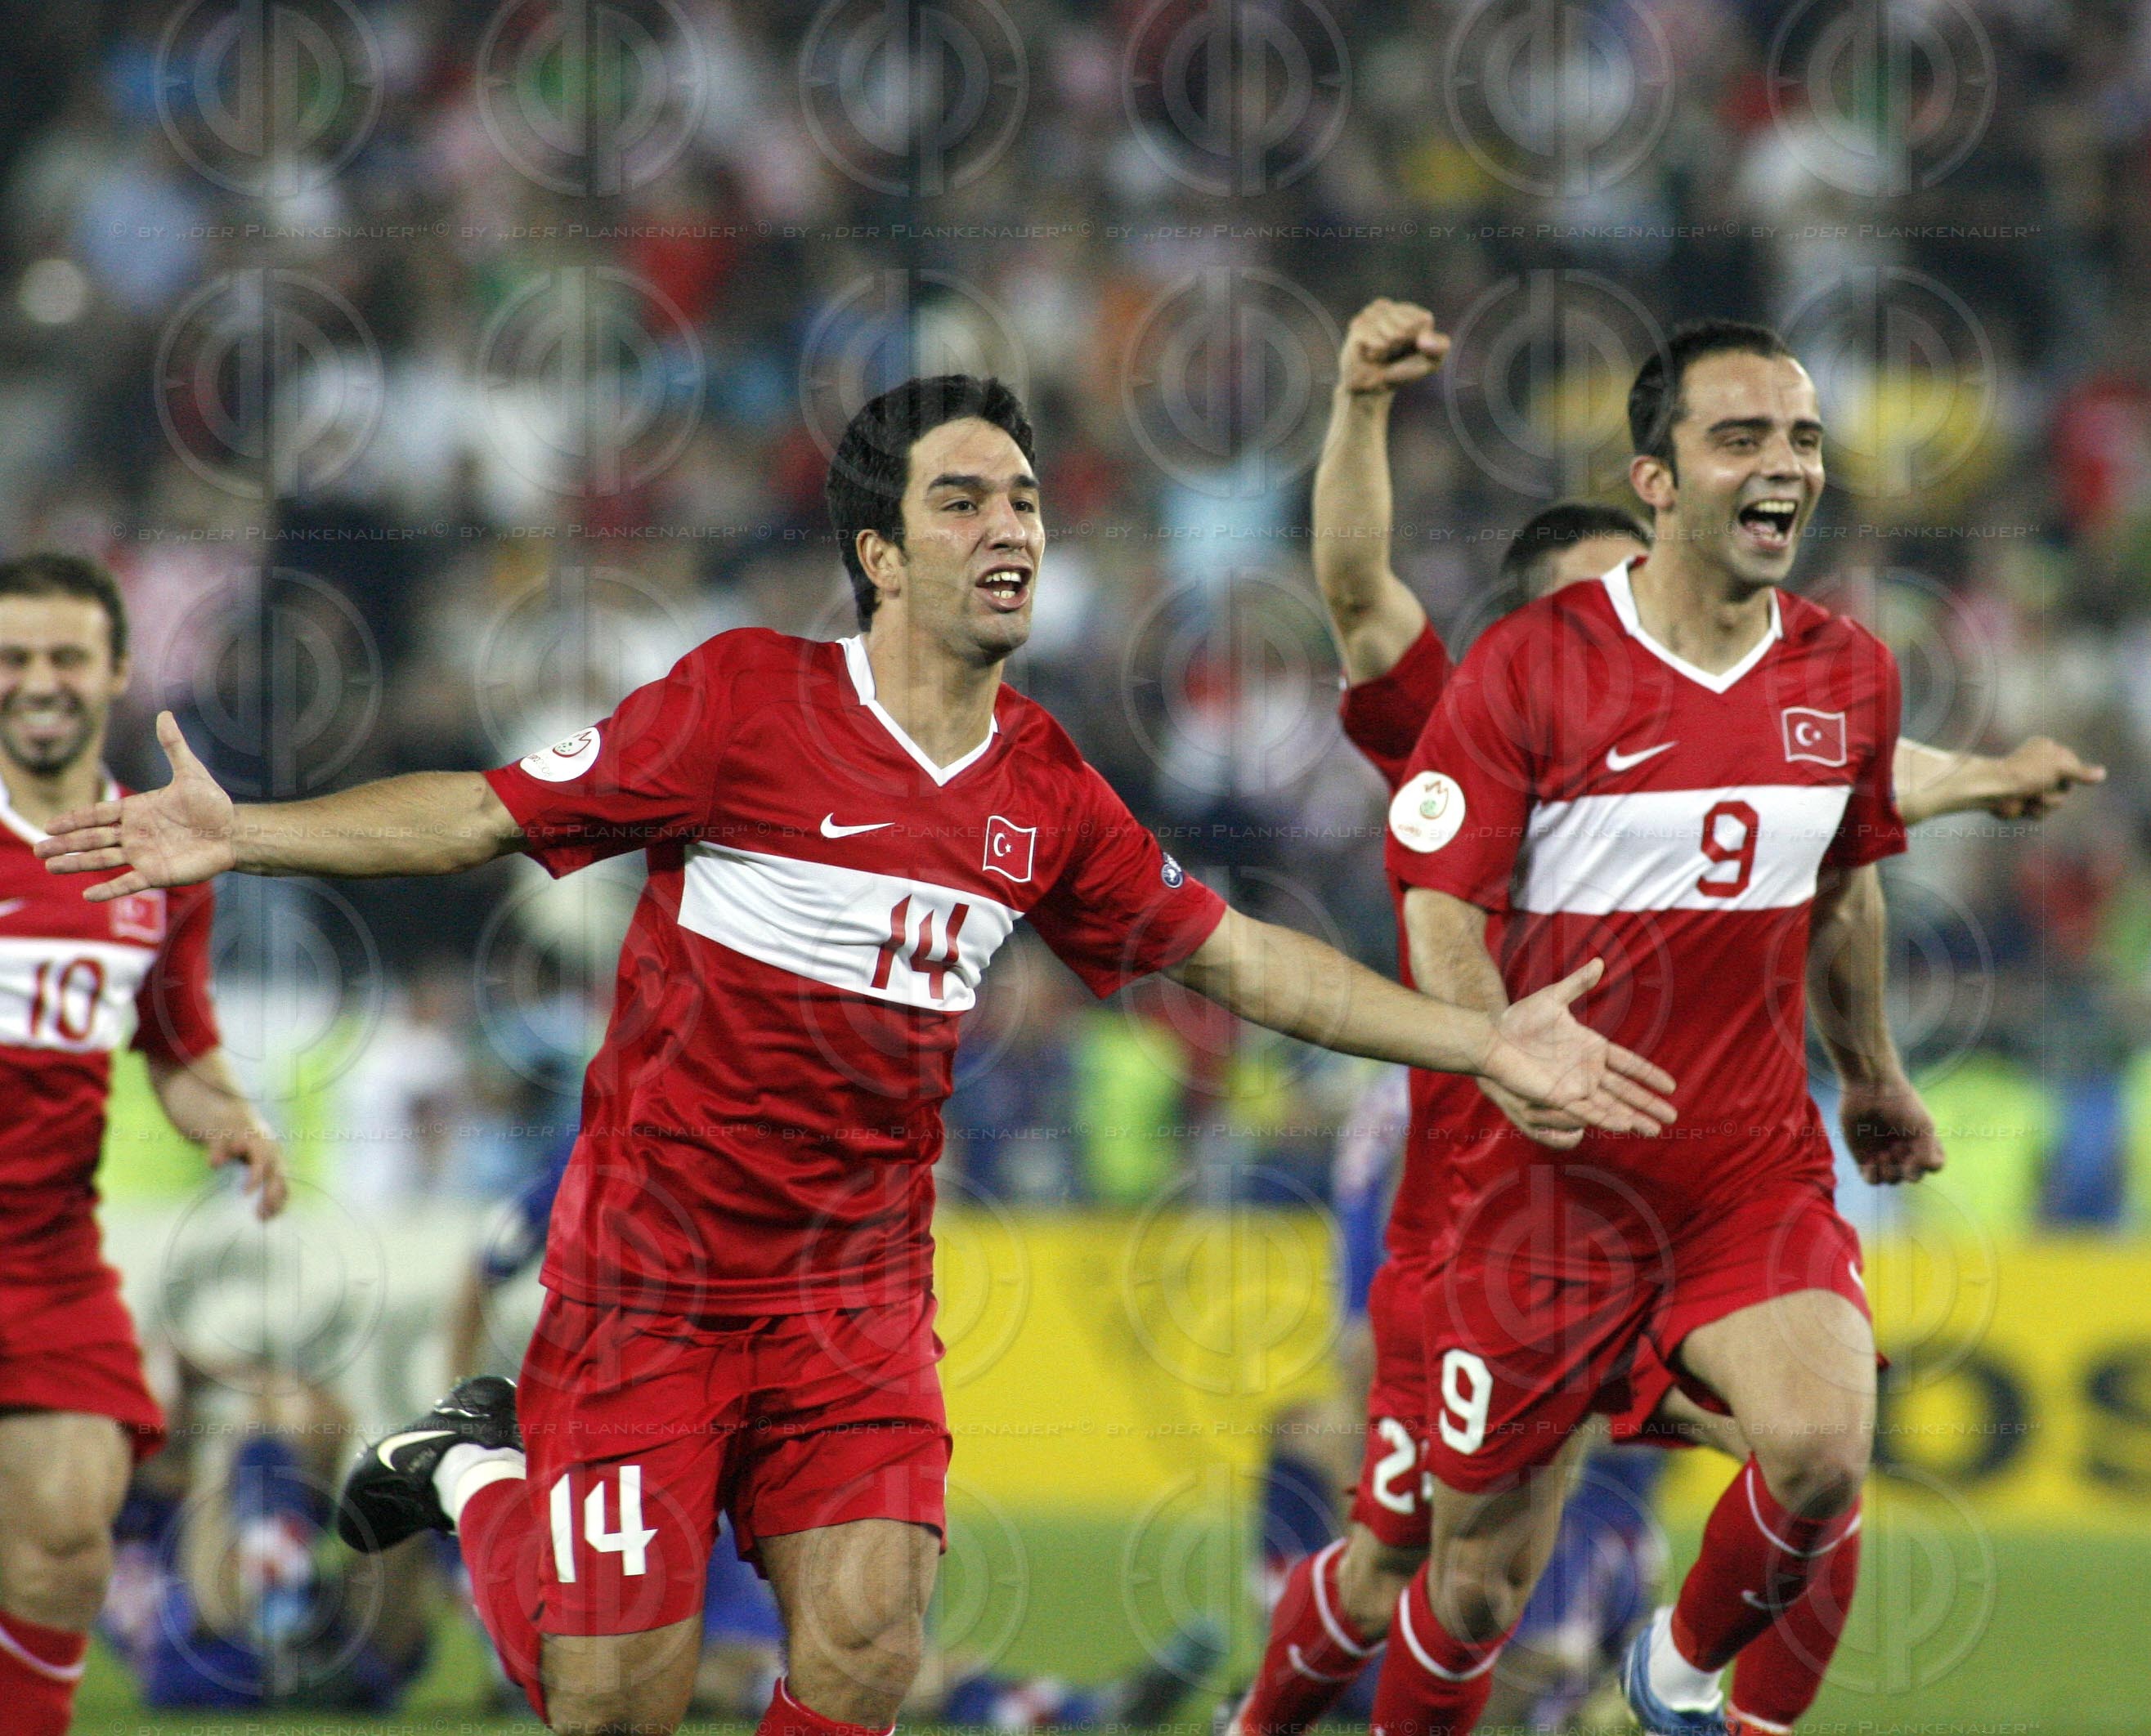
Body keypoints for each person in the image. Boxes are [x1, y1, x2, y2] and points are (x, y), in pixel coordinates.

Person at [39, 375, 1678, 1736]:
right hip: (648, 1286)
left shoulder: (1045, 788)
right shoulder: (740, 705)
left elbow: (1240, 960)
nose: (1015, 527)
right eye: (967, 501)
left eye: (1026, 498)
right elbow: (477, 812)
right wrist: (240, 832)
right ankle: (475, 1469)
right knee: (611, 1702)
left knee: (866, 1654)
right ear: (879, 555)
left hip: (853, 1299)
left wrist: (1478, 1036)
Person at [1229, 299, 2104, 1736]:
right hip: (1504, 1207)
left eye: (1803, 437)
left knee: (1824, 1450)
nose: (1785, 463)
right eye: (1743, 436)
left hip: (1731, 1176)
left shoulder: (1832, 673)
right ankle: (1261, 1721)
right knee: (1442, 1575)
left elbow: (1830, 821)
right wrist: (1360, 406)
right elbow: (1354, 594)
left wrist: (1881, 1051)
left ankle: (1689, 1688)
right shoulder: (1493, 691)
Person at [0, 551, 288, 1736]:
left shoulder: (153, 851)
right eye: (13, 658)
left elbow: (174, 1043)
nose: (39, 681)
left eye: (67, 655)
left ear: (117, 669)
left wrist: (229, 1119)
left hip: (44, 1253)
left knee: (70, 1535)